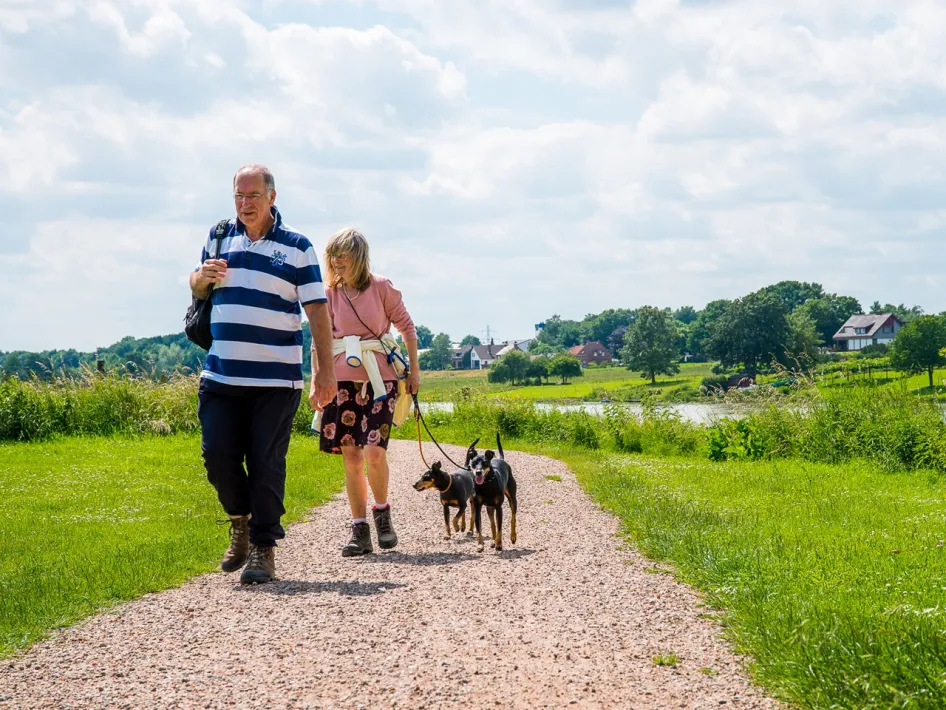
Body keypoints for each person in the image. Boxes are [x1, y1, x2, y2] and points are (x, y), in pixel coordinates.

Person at [189, 164, 337, 585]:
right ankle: (239, 521)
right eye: (238, 195)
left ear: (272, 196)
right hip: (220, 375)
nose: (244, 204)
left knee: (266, 463)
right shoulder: (219, 236)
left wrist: (323, 372)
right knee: (217, 456)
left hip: (276, 380)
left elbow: (317, 312)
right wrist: (201, 278)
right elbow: (197, 286)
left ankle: (262, 546)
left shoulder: (297, 247)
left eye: (253, 195)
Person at [314, 228, 420, 557]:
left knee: (374, 451)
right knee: (351, 455)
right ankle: (359, 529)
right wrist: (317, 378)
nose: (335, 261)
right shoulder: (328, 294)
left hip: (380, 382)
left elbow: (407, 328)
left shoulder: (382, 288)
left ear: (358, 256)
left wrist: (414, 371)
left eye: (342, 254)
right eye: (332, 255)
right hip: (340, 381)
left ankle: (382, 515)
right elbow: (319, 341)